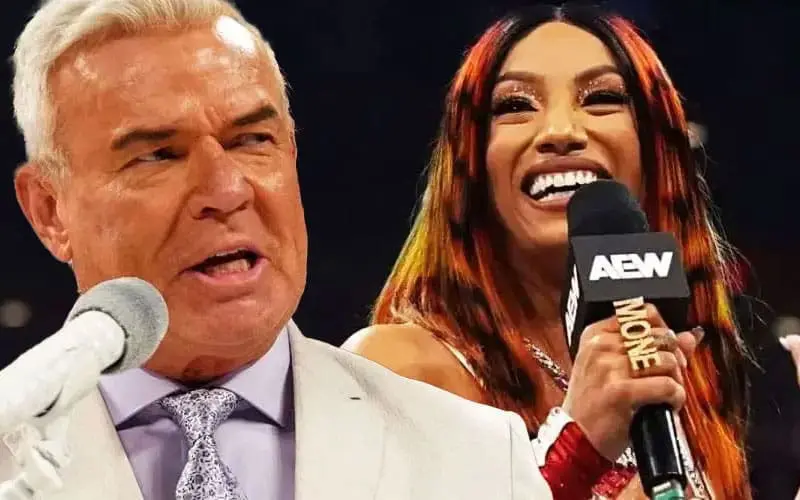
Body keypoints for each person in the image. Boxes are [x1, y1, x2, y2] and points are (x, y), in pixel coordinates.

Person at [0, 1, 563, 499]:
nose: (226, 190)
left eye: (251, 140)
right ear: (50, 211)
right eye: (158, 155)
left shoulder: (477, 454)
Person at [345, 4, 752, 499]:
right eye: (515, 105)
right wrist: (575, 450)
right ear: (472, 160)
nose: (561, 131)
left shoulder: (688, 379)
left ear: (653, 150)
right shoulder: (397, 369)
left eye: (601, 98)